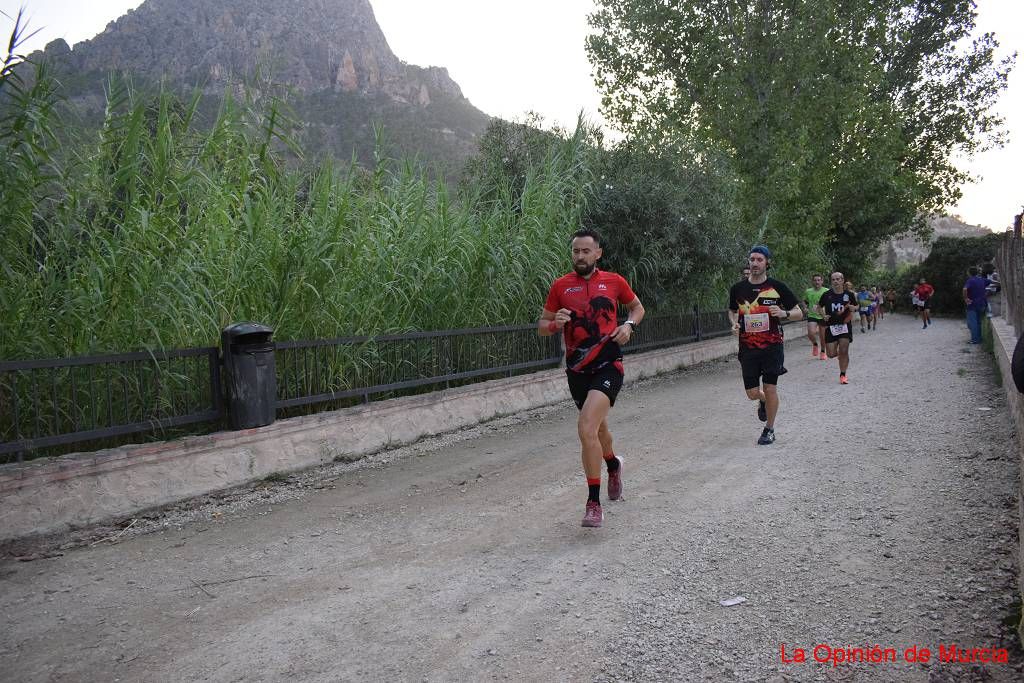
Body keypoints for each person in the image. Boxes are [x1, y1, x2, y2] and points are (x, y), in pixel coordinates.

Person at [539, 228, 645, 528]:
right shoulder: (561, 286)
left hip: (609, 365)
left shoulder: (614, 281)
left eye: (586, 251)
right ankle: (612, 465)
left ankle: (593, 503)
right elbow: (542, 324)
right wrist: (553, 324)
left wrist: (628, 325)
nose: (580, 256)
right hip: (577, 371)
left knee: (586, 427)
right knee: (597, 430)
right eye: (575, 251)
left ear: (598, 253)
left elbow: (637, 308)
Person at [728, 245, 802, 445]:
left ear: (767, 262)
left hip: (772, 346)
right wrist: (734, 323)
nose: (754, 263)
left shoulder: (777, 287)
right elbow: (733, 311)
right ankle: (762, 400)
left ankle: (769, 429)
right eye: (752, 259)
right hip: (748, 347)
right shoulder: (738, 288)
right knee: (752, 393)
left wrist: (784, 313)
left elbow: (799, 312)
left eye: (759, 260)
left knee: (770, 388)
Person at [817, 272, 859, 384]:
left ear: (842, 280)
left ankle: (843, 375)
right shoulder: (826, 295)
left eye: (837, 279)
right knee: (830, 354)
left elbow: (856, 306)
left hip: (845, 326)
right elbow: (819, 306)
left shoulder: (849, 294)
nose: (835, 281)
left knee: (844, 350)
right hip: (831, 327)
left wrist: (853, 308)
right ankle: (841, 356)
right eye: (833, 279)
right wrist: (823, 315)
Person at [803, 274, 829, 360]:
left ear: (822, 281)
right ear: (812, 281)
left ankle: (822, 352)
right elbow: (804, 301)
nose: (817, 282)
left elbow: (831, 303)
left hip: (823, 316)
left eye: (819, 280)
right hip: (812, 315)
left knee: (823, 336)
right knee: (811, 333)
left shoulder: (827, 291)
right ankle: (815, 344)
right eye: (815, 280)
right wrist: (805, 307)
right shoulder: (808, 291)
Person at [963, 266, 989, 344]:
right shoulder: (982, 279)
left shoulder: (970, 280)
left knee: (972, 323)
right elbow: (993, 282)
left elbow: (964, 289)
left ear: (969, 273)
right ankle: (979, 338)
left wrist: (966, 298)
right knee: (978, 322)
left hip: (972, 304)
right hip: (982, 303)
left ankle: (975, 339)